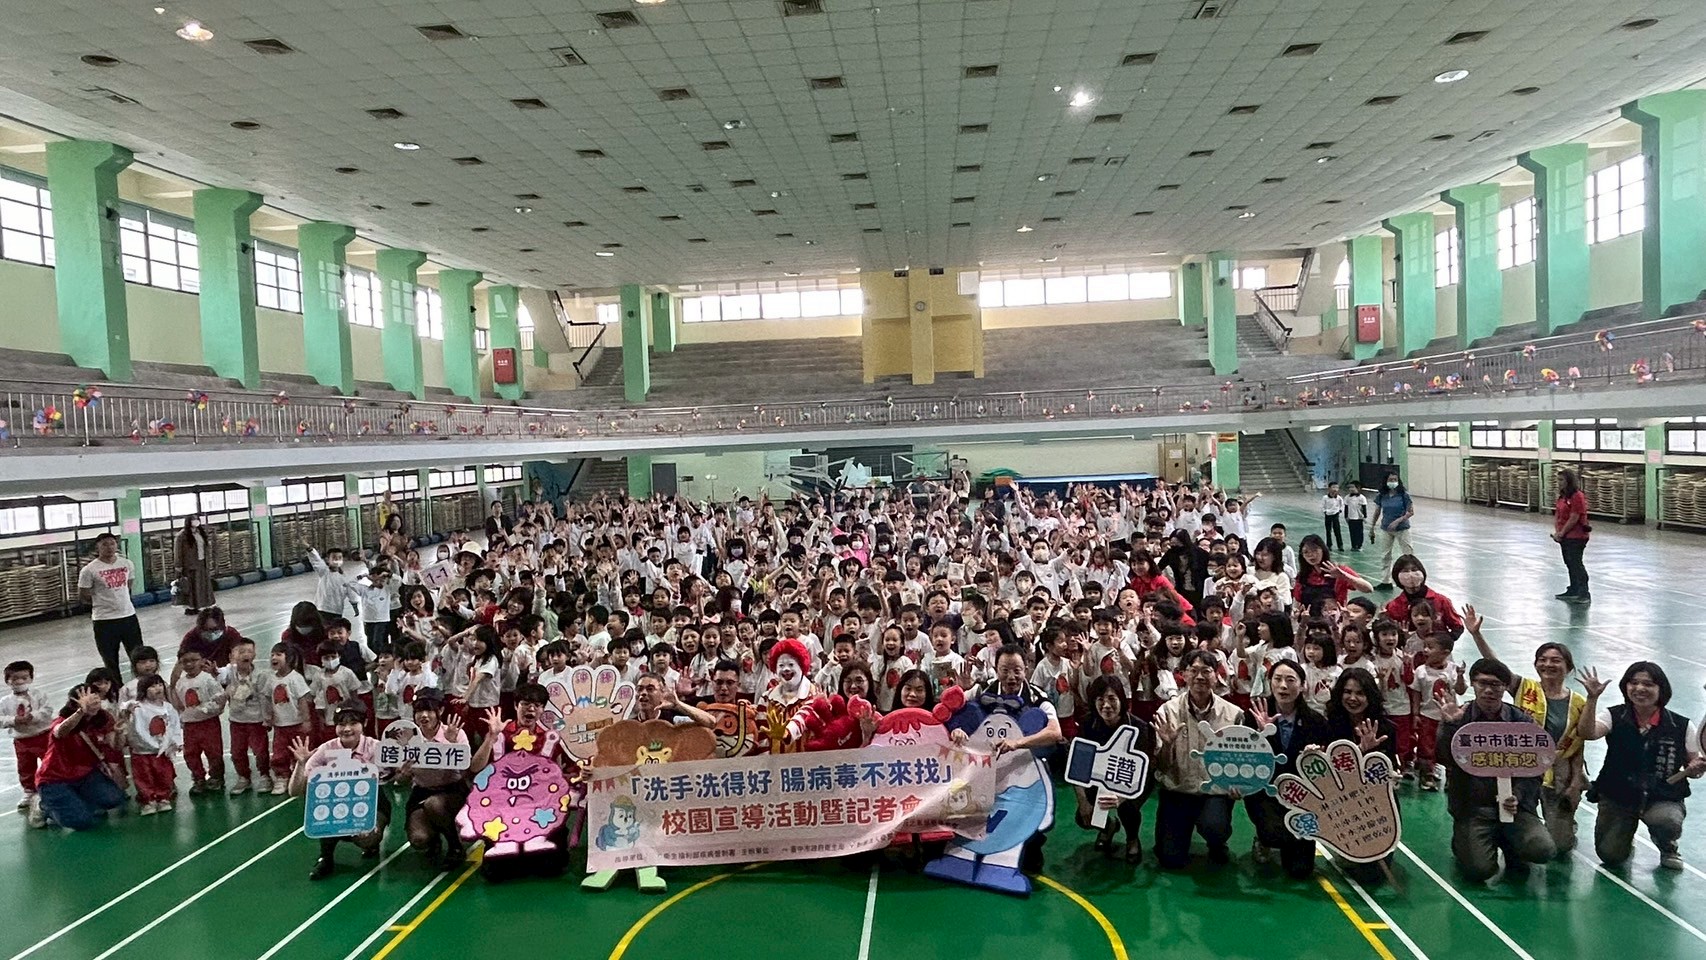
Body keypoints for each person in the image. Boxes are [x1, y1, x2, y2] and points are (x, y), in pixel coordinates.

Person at [1464, 608, 1587, 856]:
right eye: (1542, 659)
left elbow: (1578, 746)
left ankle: (1563, 824)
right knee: (1518, 816)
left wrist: (1576, 781)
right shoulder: (1525, 687)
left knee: (1560, 846)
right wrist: (1477, 635)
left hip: (1558, 767)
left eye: (1555, 660)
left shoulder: (1578, 702)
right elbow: (1496, 667)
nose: (1548, 664)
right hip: (1523, 764)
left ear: (1569, 667)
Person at [1437, 658, 1556, 883]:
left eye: (1496, 684)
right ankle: (1463, 840)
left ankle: (1512, 846)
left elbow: (1536, 768)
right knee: (1479, 870)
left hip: (1517, 809)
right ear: (1473, 684)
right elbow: (1443, 758)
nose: (1489, 690)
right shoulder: (1461, 717)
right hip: (1474, 810)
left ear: (1505, 687)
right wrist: (1450, 725)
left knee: (1542, 849)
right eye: (1482, 683)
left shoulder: (1521, 720)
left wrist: (1517, 796)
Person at [1577, 662, 1705, 871]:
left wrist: (1696, 768)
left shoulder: (1681, 725)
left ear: (1661, 689)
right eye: (1633, 683)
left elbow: (1693, 764)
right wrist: (1592, 699)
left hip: (1661, 795)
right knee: (1610, 856)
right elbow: (1587, 733)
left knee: (1666, 821)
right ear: (1625, 686)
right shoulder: (1614, 715)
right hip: (1618, 794)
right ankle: (1625, 835)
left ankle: (1667, 845)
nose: (1639, 688)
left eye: (1648, 684)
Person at [1151, 649, 1248, 870]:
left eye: (1206, 671)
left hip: (1214, 793)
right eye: (1193, 671)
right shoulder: (1167, 712)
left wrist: (1239, 785)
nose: (1200, 677)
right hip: (1178, 791)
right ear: (1183, 675)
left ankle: (1217, 841)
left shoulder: (1234, 714)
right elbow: (1162, 767)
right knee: (1170, 859)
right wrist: (1167, 744)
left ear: (1216, 675)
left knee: (1215, 827)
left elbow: (1241, 761)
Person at [1246, 659, 1331, 877]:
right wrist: (1263, 735)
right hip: (1265, 792)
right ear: (1270, 683)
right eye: (1278, 679)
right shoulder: (1253, 715)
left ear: (1302, 686)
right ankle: (1264, 839)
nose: (1283, 686)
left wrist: (1316, 756)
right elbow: (1246, 759)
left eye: (1291, 680)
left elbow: (1325, 769)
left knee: (1300, 870)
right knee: (1273, 834)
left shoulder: (1316, 721)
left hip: (1301, 796)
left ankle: (1293, 842)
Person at [289, 702, 391, 880]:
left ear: (364, 723)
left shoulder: (377, 748)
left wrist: (403, 772)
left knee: (367, 838)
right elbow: (294, 791)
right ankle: (325, 857)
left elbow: (396, 776)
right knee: (322, 803)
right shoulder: (326, 750)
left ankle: (371, 844)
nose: (347, 729)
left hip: (372, 804)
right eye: (341, 724)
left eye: (353, 723)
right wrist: (301, 764)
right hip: (336, 803)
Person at [1072, 675, 1155, 863]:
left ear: (1121, 700)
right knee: (1084, 816)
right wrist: (1083, 801)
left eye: (1112, 699)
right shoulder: (1087, 724)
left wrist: (1121, 797)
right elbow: (1078, 767)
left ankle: (1132, 839)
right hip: (1100, 776)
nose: (1106, 705)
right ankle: (1108, 827)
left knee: (1127, 808)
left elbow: (1143, 772)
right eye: (1100, 700)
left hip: (1135, 781)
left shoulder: (1139, 727)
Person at [33, 685, 127, 831]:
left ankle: (74, 801)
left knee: (114, 799)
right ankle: (43, 806)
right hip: (55, 778)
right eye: (89, 700)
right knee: (81, 822)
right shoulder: (62, 721)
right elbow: (60, 731)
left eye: (96, 698)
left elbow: (115, 746)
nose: (95, 702)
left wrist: (120, 732)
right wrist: (81, 712)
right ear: (75, 703)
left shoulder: (103, 718)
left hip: (86, 774)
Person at [397, 690, 473, 870]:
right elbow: (399, 780)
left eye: (430, 710)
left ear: (440, 711)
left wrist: (452, 745)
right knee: (419, 839)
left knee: (434, 805)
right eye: (419, 711)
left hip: (452, 791)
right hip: (421, 792)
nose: (424, 715)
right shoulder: (407, 739)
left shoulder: (455, 733)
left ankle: (455, 846)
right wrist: (404, 773)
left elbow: (467, 772)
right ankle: (434, 838)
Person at [77, 533, 143, 678]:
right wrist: (103, 602)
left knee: (138, 655)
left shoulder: (126, 564)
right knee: (110, 659)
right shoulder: (89, 570)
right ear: (98, 547)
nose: (109, 547)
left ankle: (142, 683)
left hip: (128, 616)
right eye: (105, 544)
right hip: (104, 620)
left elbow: (128, 585)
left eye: (112, 543)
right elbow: (84, 595)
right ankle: (115, 686)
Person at [2, 660, 55, 818]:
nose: (20, 682)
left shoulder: (39, 695)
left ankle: (54, 784)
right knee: (25, 766)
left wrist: (34, 716)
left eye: (24, 678)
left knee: (50, 762)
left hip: (43, 736)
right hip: (22, 740)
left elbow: (47, 711)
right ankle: (29, 790)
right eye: (15, 678)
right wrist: (14, 720)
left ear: (31, 678)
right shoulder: (4, 702)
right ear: (7, 681)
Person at [1552, 468, 1591, 603]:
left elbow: (1574, 517)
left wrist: (1562, 532)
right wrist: (1558, 532)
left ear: (1569, 481)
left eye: (1562, 480)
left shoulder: (1577, 496)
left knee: (1576, 563)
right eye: (1558, 480)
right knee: (1569, 563)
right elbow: (1558, 514)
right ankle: (1574, 589)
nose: (1559, 482)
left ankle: (1584, 593)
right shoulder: (1563, 497)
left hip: (1576, 536)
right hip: (1565, 536)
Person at [1371, 473, 1415, 588]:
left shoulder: (1404, 495)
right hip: (1386, 528)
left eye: (1395, 479)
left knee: (1408, 554)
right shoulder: (1381, 495)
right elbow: (1377, 511)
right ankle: (1386, 581)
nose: (1393, 482)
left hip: (1402, 529)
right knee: (1385, 555)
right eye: (1390, 479)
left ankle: (1411, 579)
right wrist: (1372, 527)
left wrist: (1398, 521)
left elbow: (1410, 512)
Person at [174, 514, 216, 614]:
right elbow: (178, 552)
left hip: (202, 563)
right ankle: (191, 607)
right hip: (189, 565)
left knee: (202, 586)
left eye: (197, 519)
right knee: (191, 587)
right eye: (193, 519)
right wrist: (178, 566)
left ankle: (202, 605)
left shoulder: (200, 533)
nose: (196, 521)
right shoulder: (181, 536)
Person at [1321, 482, 1345, 552]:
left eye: (1337, 487)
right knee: (1328, 531)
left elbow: (1342, 505)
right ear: (1329, 488)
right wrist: (1325, 511)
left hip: (1335, 515)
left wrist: (1340, 510)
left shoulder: (1339, 498)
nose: (1335, 489)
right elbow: (1322, 506)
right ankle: (1329, 545)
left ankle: (1340, 545)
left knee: (1337, 531)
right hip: (1328, 515)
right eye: (1333, 487)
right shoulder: (1325, 498)